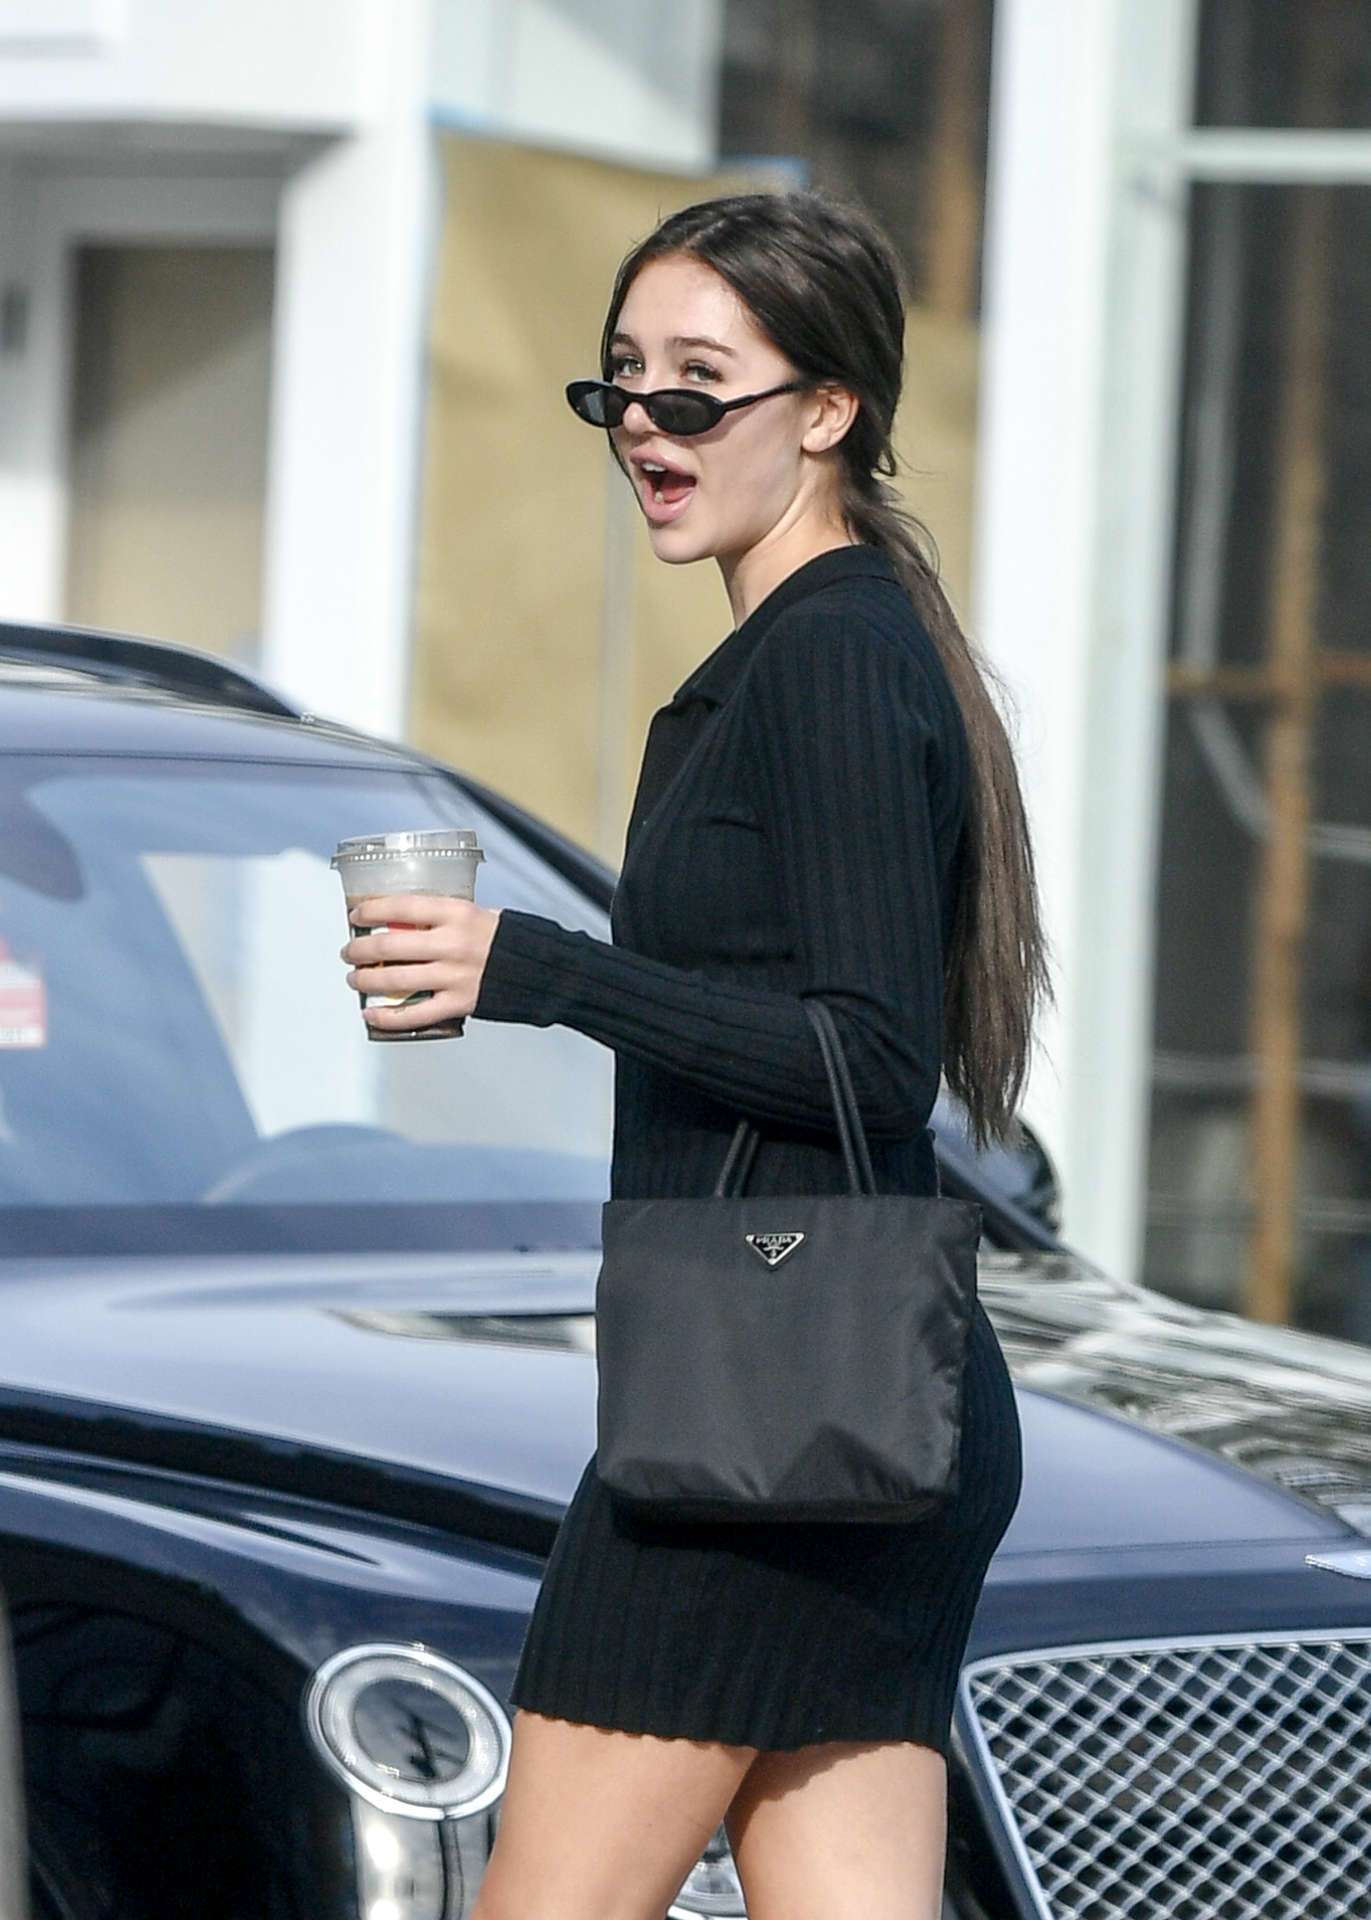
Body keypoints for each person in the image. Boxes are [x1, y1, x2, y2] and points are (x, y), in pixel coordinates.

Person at [338, 186, 1052, 1920]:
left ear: (829, 409)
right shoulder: (832, 646)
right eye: (622, 384)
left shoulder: (829, 662)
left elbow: (870, 1066)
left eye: (697, 388)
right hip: (844, 1403)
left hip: (763, 1420)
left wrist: (542, 969)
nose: (647, 429)